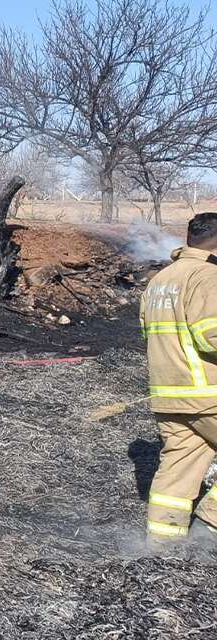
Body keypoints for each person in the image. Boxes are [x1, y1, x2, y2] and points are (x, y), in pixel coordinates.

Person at [142, 212, 217, 543]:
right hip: (207, 394)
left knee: (179, 467)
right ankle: (210, 526)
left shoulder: (160, 280)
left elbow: (148, 334)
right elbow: (211, 335)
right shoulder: (208, 276)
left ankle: (162, 545)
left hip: (168, 395)